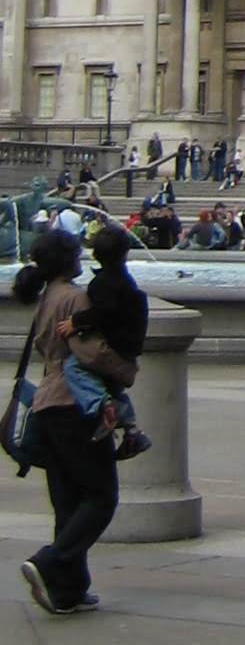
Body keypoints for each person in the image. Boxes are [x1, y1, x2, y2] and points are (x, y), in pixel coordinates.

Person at [12, 232, 120, 614]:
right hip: (75, 405)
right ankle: (50, 561)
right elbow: (92, 355)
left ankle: (67, 589)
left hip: (47, 404)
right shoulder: (75, 298)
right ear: (65, 260)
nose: (81, 257)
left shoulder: (48, 297)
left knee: (68, 502)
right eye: (76, 252)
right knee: (102, 496)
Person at [63, 225, 153, 461]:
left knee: (73, 367)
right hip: (127, 352)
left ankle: (101, 407)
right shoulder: (127, 281)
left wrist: (76, 322)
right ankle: (132, 431)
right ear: (125, 253)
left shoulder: (102, 284)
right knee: (112, 387)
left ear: (95, 254)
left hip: (113, 349)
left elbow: (103, 312)